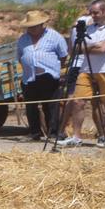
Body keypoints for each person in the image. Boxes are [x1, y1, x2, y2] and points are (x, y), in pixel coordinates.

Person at [59, 0, 105, 149]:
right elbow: (76, 49)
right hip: (86, 69)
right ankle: (76, 136)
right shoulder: (89, 28)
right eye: (91, 12)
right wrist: (95, 45)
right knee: (78, 102)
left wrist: (88, 47)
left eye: (96, 13)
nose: (92, 16)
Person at [14, 10, 68, 141]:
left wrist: (53, 68)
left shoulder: (54, 36)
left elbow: (63, 55)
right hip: (29, 77)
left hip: (48, 76)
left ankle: (53, 133)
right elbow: (20, 56)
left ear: (42, 24)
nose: (31, 29)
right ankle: (34, 132)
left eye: (34, 26)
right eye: (29, 26)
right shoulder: (23, 39)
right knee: (31, 106)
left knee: (50, 105)